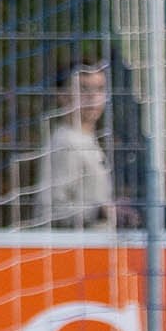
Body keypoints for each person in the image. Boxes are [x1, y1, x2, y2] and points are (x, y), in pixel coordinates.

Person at [33, 61, 137, 230]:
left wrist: (112, 210)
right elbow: (49, 210)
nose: (93, 97)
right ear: (63, 95)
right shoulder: (65, 142)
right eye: (83, 89)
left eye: (100, 89)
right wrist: (100, 211)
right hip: (73, 251)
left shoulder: (88, 139)